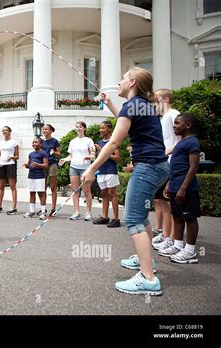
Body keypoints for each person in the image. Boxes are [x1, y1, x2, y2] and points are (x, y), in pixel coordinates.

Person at [82, 67, 170, 295]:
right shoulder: (142, 105)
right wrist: (110, 104)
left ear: (132, 83)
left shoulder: (133, 106)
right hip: (159, 166)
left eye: (122, 79)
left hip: (147, 167)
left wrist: (91, 169)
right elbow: (124, 118)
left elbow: (113, 143)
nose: (119, 82)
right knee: (141, 217)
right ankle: (146, 261)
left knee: (132, 220)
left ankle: (148, 279)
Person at [162, 113, 201, 263]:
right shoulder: (180, 142)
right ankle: (178, 245)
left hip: (187, 189)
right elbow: (175, 168)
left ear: (188, 125)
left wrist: (183, 188)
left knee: (189, 217)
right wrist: (169, 183)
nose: (174, 125)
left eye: (178, 123)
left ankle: (190, 251)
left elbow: (193, 167)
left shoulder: (192, 142)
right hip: (175, 186)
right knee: (177, 216)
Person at [151, 88, 180, 252]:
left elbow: (182, 138)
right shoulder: (162, 118)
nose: (155, 103)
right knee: (161, 200)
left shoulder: (174, 114)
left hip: (172, 163)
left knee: (169, 203)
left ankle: (172, 238)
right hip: (162, 163)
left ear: (166, 99)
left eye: (157, 99)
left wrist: (166, 152)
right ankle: (164, 233)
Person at [59, 121, 95, 221]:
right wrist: (64, 160)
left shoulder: (88, 140)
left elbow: (93, 155)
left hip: (85, 168)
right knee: (75, 192)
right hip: (74, 168)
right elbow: (71, 156)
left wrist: (89, 157)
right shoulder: (72, 141)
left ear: (84, 128)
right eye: (77, 127)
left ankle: (88, 213)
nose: (78, 128)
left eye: (80, 127)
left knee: (87, 191)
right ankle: (76, 212)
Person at [92, 121, 121, 228]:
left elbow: (118, 158)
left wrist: (104, 151)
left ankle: (116, 219)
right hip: (101, 171)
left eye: (103, 128)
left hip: (110, 171)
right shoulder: (99, 142)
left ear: (109, 129)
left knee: (112, 194)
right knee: (103, 194)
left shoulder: (113, 142)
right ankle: (104, 217)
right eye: (100, 128)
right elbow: (99, 158)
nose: (101, 130)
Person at [0, 126, 19, 215]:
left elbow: (17, 156)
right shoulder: (0, 142)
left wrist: (12, 157)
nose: (5, 131)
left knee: (12, 186)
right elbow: (0, 154)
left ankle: (14, 207)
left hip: (10, 164)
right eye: (3, 130)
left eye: (6, 130)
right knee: (1, 186)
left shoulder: (14, 142)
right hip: (1, 164)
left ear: (10, 132)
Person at [23, 137, 49, 220]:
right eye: (33, 142)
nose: (34, 144)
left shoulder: (43, 153)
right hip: (31, 176)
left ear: (41, 144)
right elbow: (29, 164)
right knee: (32, 193)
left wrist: (37, 165)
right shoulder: (31, 154)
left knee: (41, 193)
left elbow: (46, 165)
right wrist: (27, 165)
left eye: (36, 142)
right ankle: (32, 212)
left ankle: (43, 212)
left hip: (40, 176)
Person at [42, 124, 61, 216]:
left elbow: (59, 153)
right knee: (43, 188)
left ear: (50, 131)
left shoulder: (55, 141)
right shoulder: (41, 141)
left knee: (53, 187)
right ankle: (43, 208)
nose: (44, 131)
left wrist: (54, 153)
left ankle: (53, 208)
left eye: (46, 129)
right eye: (43, 129)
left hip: (52, 164)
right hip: (43, 165)